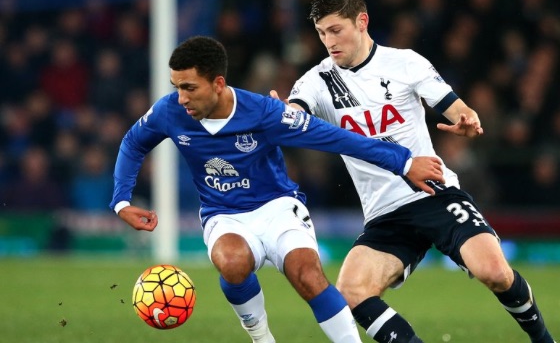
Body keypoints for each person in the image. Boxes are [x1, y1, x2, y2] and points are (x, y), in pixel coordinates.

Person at [272, 0, 556, 343]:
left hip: (433, 193)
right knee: (351, 290)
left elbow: (455, 106)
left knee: (494, 273)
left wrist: (467, 119)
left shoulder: (405, 63)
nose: (329, 41)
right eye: (322, 32)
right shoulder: (317, 81)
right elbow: (295, 113)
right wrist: (284, 114)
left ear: (362, 21)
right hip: (384, 214)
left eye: (336, 30)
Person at [110, 36, 444, 343]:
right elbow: (133, 143)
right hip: (224, 214)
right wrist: (122, 201)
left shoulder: (264, 113)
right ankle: (262, 338)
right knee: (232, 261)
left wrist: (402, 161)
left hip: (278, 207)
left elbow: (334, 137)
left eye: (189, 88)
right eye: (176, 87)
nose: (181, 98)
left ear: (218, 83)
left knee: (307, 273)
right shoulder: (170, 111)